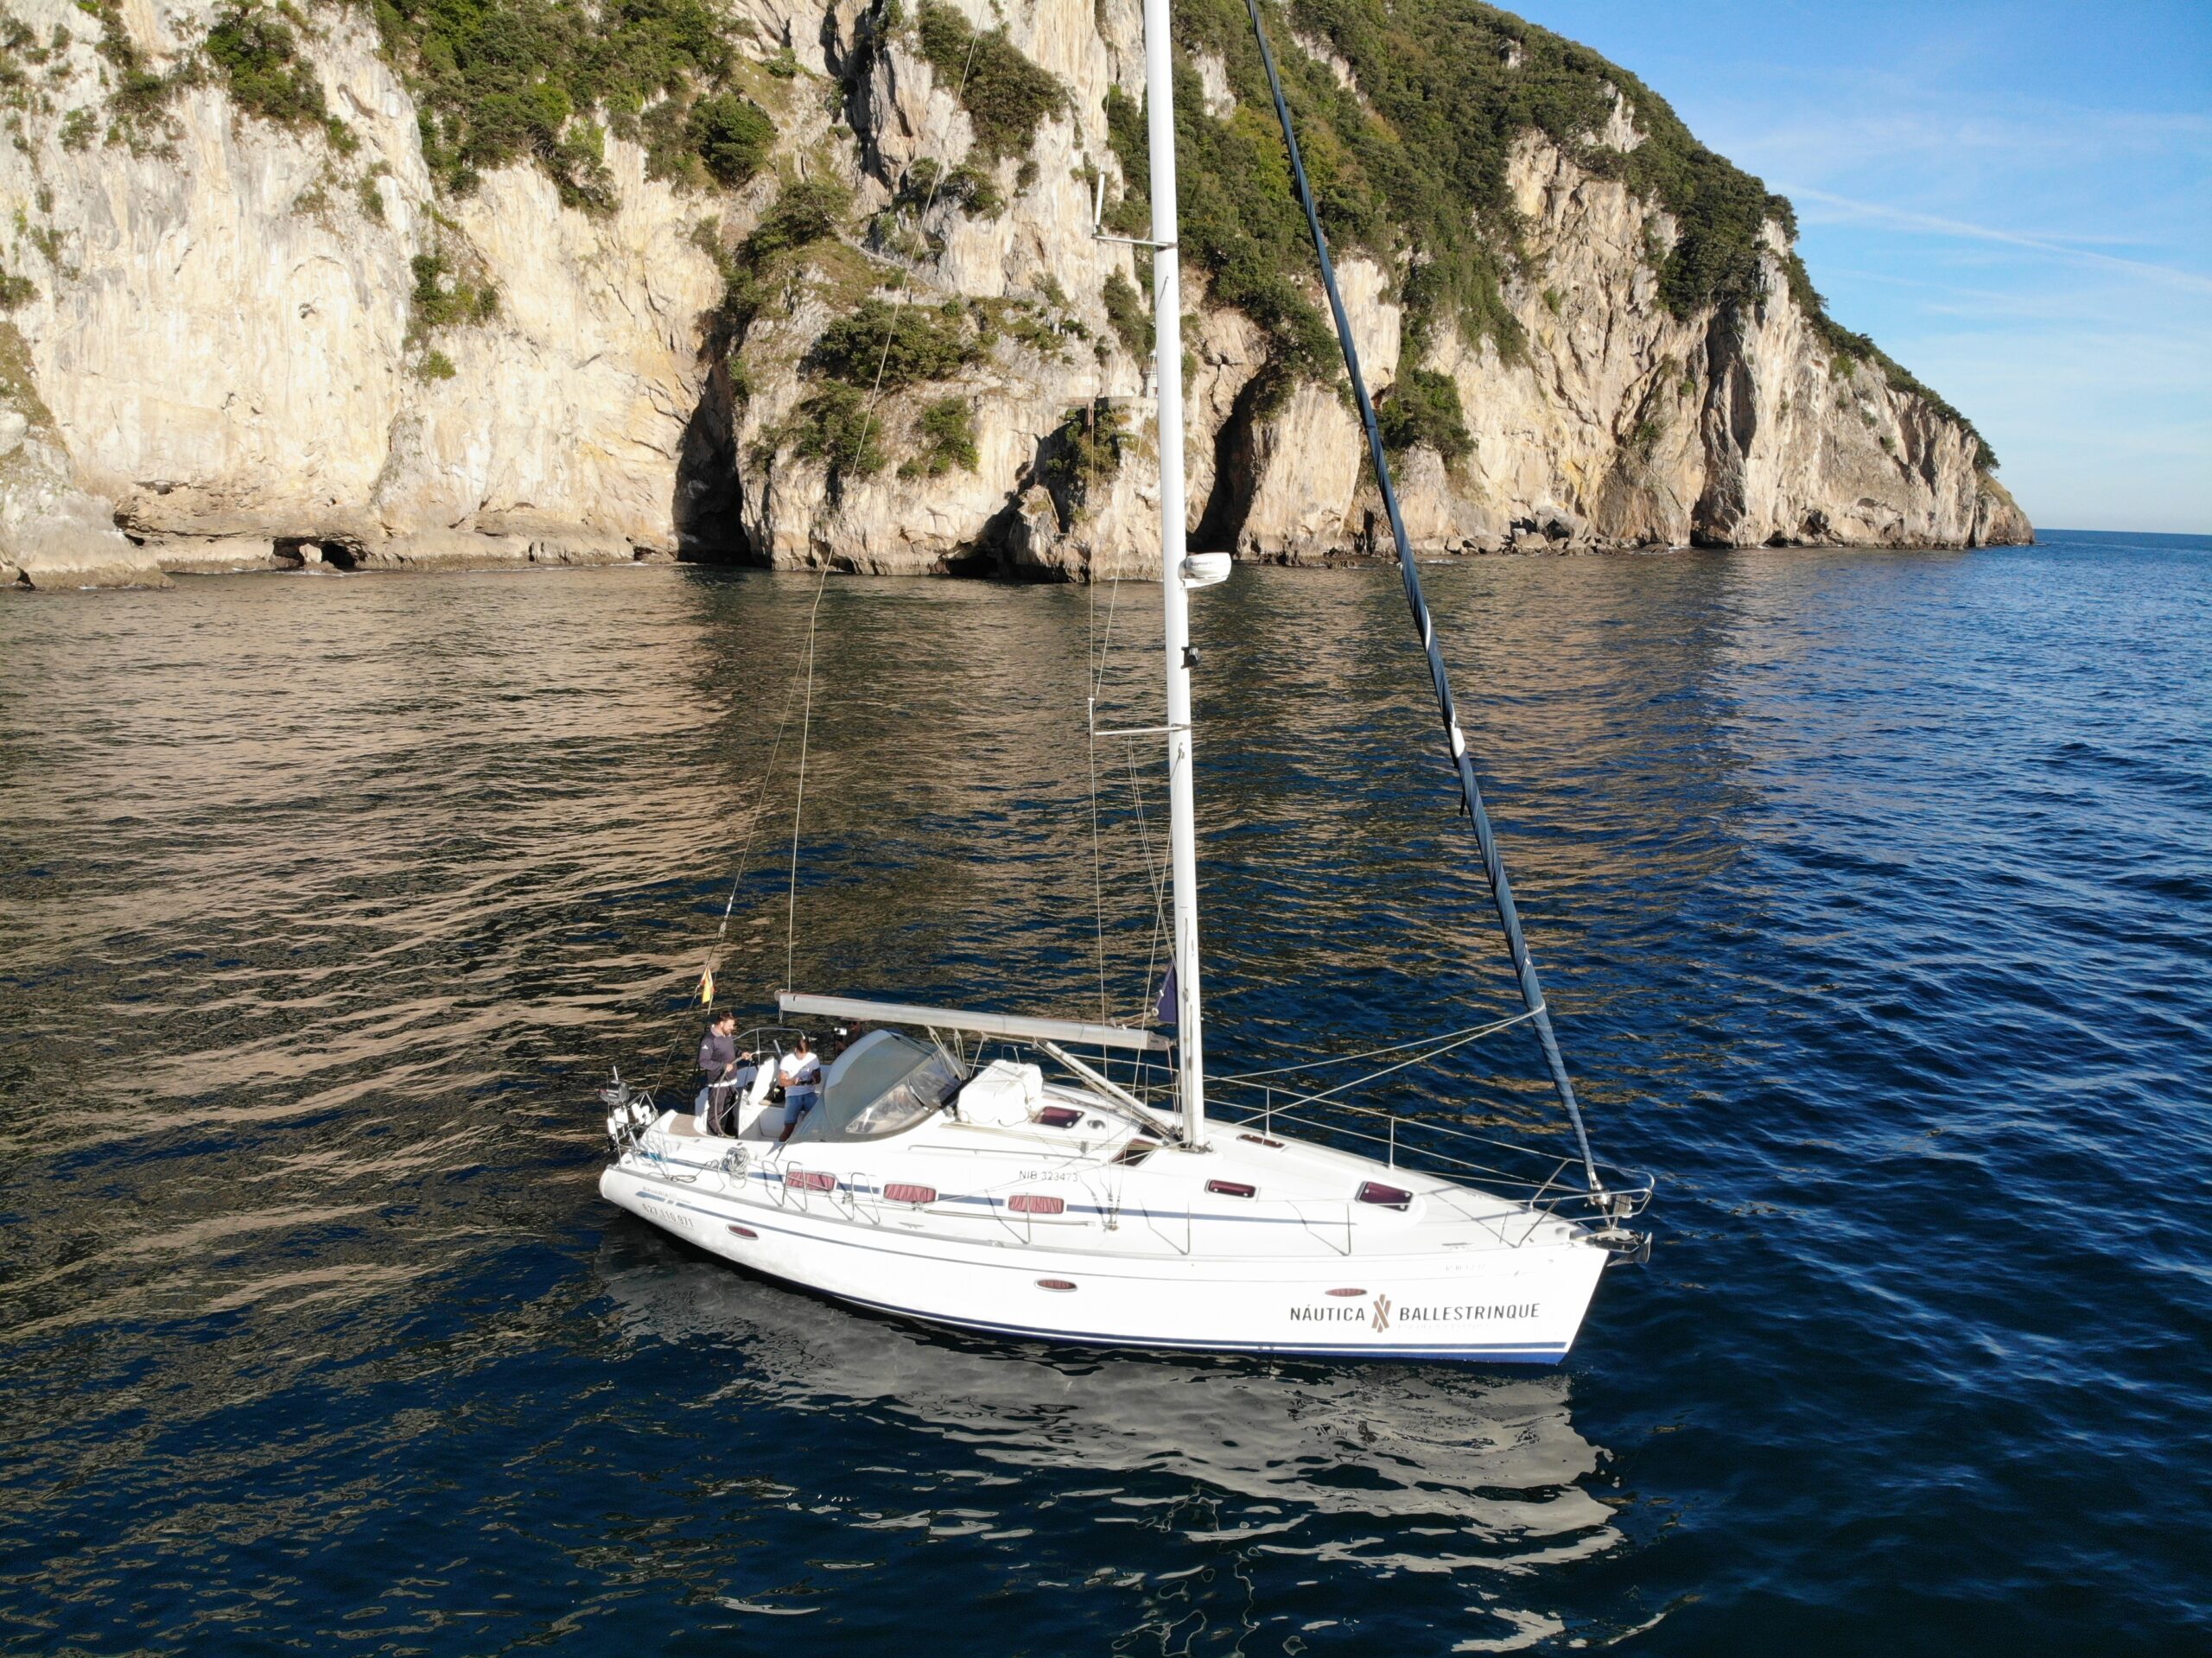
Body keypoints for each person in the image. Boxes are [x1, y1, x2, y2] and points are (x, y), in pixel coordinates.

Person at [696, 1012, 751, 1135]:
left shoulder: (727, 1034)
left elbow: (732, 1048)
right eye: (730, 1025)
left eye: (733, 1025)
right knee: (715, 1114)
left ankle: (728, 1133)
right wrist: (723, 1066)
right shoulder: (709, 1040)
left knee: (730, 1110)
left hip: (731, 1081)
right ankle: (714, 1136)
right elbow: (703, 1062)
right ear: (721, 1024)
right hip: (718, 1083)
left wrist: (741, 1053)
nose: (732, 1028)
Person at [775, 1032, 823, 1143]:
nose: (802, 1057)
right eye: (800, 1054)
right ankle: (779, 1146)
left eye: (805, 1054)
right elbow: (781, 1082)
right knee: (789, 1128)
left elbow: (818, 1078)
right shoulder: (787, 1060)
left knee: (820, 1121)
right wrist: (793, 1082)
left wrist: (814, 1079)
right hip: (793, 1094)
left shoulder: (813, 1058)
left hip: (809, 1093)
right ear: (795, 1049)